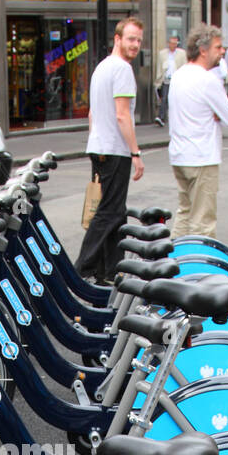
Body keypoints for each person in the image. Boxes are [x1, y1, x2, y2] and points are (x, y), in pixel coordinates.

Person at [75, 16, 145, 282]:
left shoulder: (102, 68)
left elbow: (93, 113)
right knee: (111, 212)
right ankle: (81, 269)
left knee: (114, 212)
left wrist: (97, 139)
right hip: (115, 150)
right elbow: (122, 115)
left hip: (100, 146)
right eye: (130, 39)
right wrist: (136, 153)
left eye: (139, 40)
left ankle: (110, 272)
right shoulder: (122, 70)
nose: (135, 44)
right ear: (117, 39)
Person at [167, 22, 228, 239]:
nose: (222, 51)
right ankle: (199, 269)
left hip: (180, 155)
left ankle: (174, 263)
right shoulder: (208, 80)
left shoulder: (179, 75)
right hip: (202, 157)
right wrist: (215, 113)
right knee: (203, 223)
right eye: (218, 47)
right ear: (203, 50)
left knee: (185, 213)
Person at [154, 33, 185, 126]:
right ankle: (161, 117)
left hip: (177, 81)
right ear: (168, 43)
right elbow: (159, 67)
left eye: (175, 43)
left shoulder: (182, 54)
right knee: (164, 98)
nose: (173, 45)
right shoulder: (162, 54)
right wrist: (158, 81)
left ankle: (177, 118)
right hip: (166, 80)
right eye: (171, 43)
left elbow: (184, 66)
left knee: (176, 100)